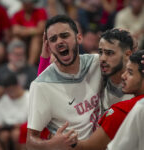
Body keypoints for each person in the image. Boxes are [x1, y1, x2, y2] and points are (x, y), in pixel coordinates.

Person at [26, 15, 103, 150]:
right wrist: (51, 145)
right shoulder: (41, 86)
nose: (59, 42)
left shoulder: (97, 63)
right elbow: (30, 141)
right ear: (49, 46)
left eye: (64, 35)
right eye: (53, 39)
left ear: (79, 38)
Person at [62, 49, 144, 150]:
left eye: (130, 73)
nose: (123, 76)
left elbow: (89, 148)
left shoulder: (122, 111)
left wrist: (63, 142)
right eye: (125, 70)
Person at [11, 0, 48, 65]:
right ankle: (16, 63)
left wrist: (23, 30)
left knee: (36, 38)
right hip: (23, 39)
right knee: (16, 39)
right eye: (24, 2)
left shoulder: (41, 11)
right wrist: (33, 30)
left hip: (37, 40)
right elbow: (15, 30)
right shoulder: (17, 14)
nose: (26, 4)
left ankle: (30, 64)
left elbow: (41, 30)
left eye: (28, 2)